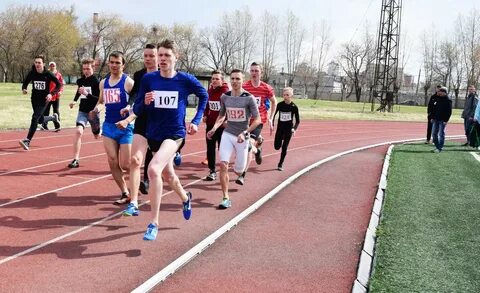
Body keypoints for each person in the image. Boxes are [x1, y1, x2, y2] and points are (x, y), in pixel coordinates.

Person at [132, 39, 208, 241]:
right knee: (169, 176)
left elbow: (204, 95)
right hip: (153, 134)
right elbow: (138, 108)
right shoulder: (149, 80)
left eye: (167, 55)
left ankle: (153, 223)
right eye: (161, 55)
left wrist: (196, 119)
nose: (163, 59)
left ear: (176, 57)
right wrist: (145, 103)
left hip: (175, 134)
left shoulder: (185, 80)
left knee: (153, 169)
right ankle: (185, 198)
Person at [207, 69, 260, 209]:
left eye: (238, 79)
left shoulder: (249, 98)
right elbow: (221, 116)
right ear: (229, 80)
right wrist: (214, 128)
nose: (235, 81)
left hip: (242, 136)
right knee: (223, 165)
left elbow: (258, 120)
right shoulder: (225, 97)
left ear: (243, 80)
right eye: (233, 79)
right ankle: (225, 197)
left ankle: (253, 148)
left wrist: (246, 132)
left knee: (238, 171)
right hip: (228, 134)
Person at [116, 44, 158, 216]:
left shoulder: (165, 75)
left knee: (161, 163)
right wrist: (129, 106)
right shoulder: (140, 75)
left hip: (160, 121)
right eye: (145, 55)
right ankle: (134, 202)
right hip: (141, 118)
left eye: (151, 56)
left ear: (158, 57)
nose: (147, 59)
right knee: (135, 160)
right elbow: (135, 94)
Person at [92, 51, 134, 204]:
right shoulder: (103, 82)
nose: (114, 65)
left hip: (125, 127)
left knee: (126, 164)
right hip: (109, 126)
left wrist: (128, 117)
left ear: (123, 65)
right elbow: (102, 101)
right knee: (112, 160)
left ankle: (139, 182)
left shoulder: (128, 82)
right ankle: (124, 192)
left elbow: (136, 103)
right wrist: (96, 110)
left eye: (117, 62)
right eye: (112, 62)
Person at [237, 62, 277, 185]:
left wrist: (271, 118)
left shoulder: (266, 88)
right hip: (244, 121)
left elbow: (274, 102)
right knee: (243, 145)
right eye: (252, 70)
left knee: (248, 146)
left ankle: (242, 175)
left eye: (256, 71)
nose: (254, 73)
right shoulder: (244, 87)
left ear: (261, 73)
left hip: (258, 120)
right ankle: (258, 150)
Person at [19, 55, 62, 150]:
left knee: (34, 118)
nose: (37, 64)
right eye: (36, 62)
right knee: (40, 120)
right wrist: (24, 89)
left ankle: (27, 140)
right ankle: (52, 117)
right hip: (34, 99)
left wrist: (51, 94)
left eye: (39, 62)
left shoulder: (48, 74)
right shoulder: (32, 73)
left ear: (44, 64)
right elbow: (25, 82)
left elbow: (59, 84)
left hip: (44, 100)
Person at [67, 58, 101, 168]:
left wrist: (87, 94)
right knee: (78, 131)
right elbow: (79, 92)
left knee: (96, 134)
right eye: (84, 69)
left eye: (88, 69)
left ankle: (97, 130)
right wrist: (74, 101)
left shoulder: (97, 82)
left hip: (93, 112)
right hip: (82, 111)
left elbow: (99, 100)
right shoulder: (80, 81)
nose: (86, 71)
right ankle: (75, 159)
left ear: (93, 68)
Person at [203, 70, 229, 181]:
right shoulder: (209, 91)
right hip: (210, 124)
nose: (214, 80)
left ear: (222, 81)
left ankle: (224, 170)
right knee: (210, 148)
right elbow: (207, 104)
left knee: (222, 149)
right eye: (213, 78)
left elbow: (230, 107)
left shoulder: (226, 92)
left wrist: (228, 120)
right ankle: (212, 171)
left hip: (222, 126)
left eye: (217, 79)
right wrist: (205, 114)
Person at [272, 87, 300, 171]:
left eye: (287, 95)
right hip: (280, 128)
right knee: (277, 147)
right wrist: (272, 123)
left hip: (288, 130)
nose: (285, 97)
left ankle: (280, 164)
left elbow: (298, 121)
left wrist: (294, 129)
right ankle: (280, 142)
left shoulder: (294, 107)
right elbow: (273, 115)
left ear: (291, 95)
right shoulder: (280, 105)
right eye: (284, 95)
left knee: (284, 147)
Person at [41, 61, 64, 131]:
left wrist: (60, 91)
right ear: (49, 67)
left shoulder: (59, 75)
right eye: (51, 66)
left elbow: (61, 84)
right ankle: (44, 125)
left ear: (55, 66)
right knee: (46, 111)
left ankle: (57, 125)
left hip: (56, 96)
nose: (52, 67)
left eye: (53, 66)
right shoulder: (46, 74)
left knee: (56, 111)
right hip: (48, 96)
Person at [430, 86, 452, 153]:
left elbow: (449, 111)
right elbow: (434, 109)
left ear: (444, 92)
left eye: (441, 92)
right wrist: (432, 117)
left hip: (442, 120)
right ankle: (437, 147)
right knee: (434, 134)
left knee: (441, 134)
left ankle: (440, 148)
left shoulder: (448, 100)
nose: (439, 93)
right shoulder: (438, 99)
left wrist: (446, 120)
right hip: (436, 119)